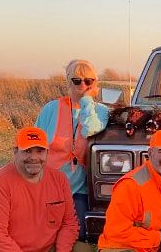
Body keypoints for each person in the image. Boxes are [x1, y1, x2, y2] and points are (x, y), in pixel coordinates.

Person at [35, 59, 109, 240]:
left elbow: (90, 128)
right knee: (43, 233)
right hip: (47, 184)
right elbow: (35, 146)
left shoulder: (100, 111)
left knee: (78, 234)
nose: (82, 85)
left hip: (79, 190)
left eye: (88, 81)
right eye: (77, 80)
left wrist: (86, 101)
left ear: (95, 84)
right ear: (69, 82)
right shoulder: (51, 108)